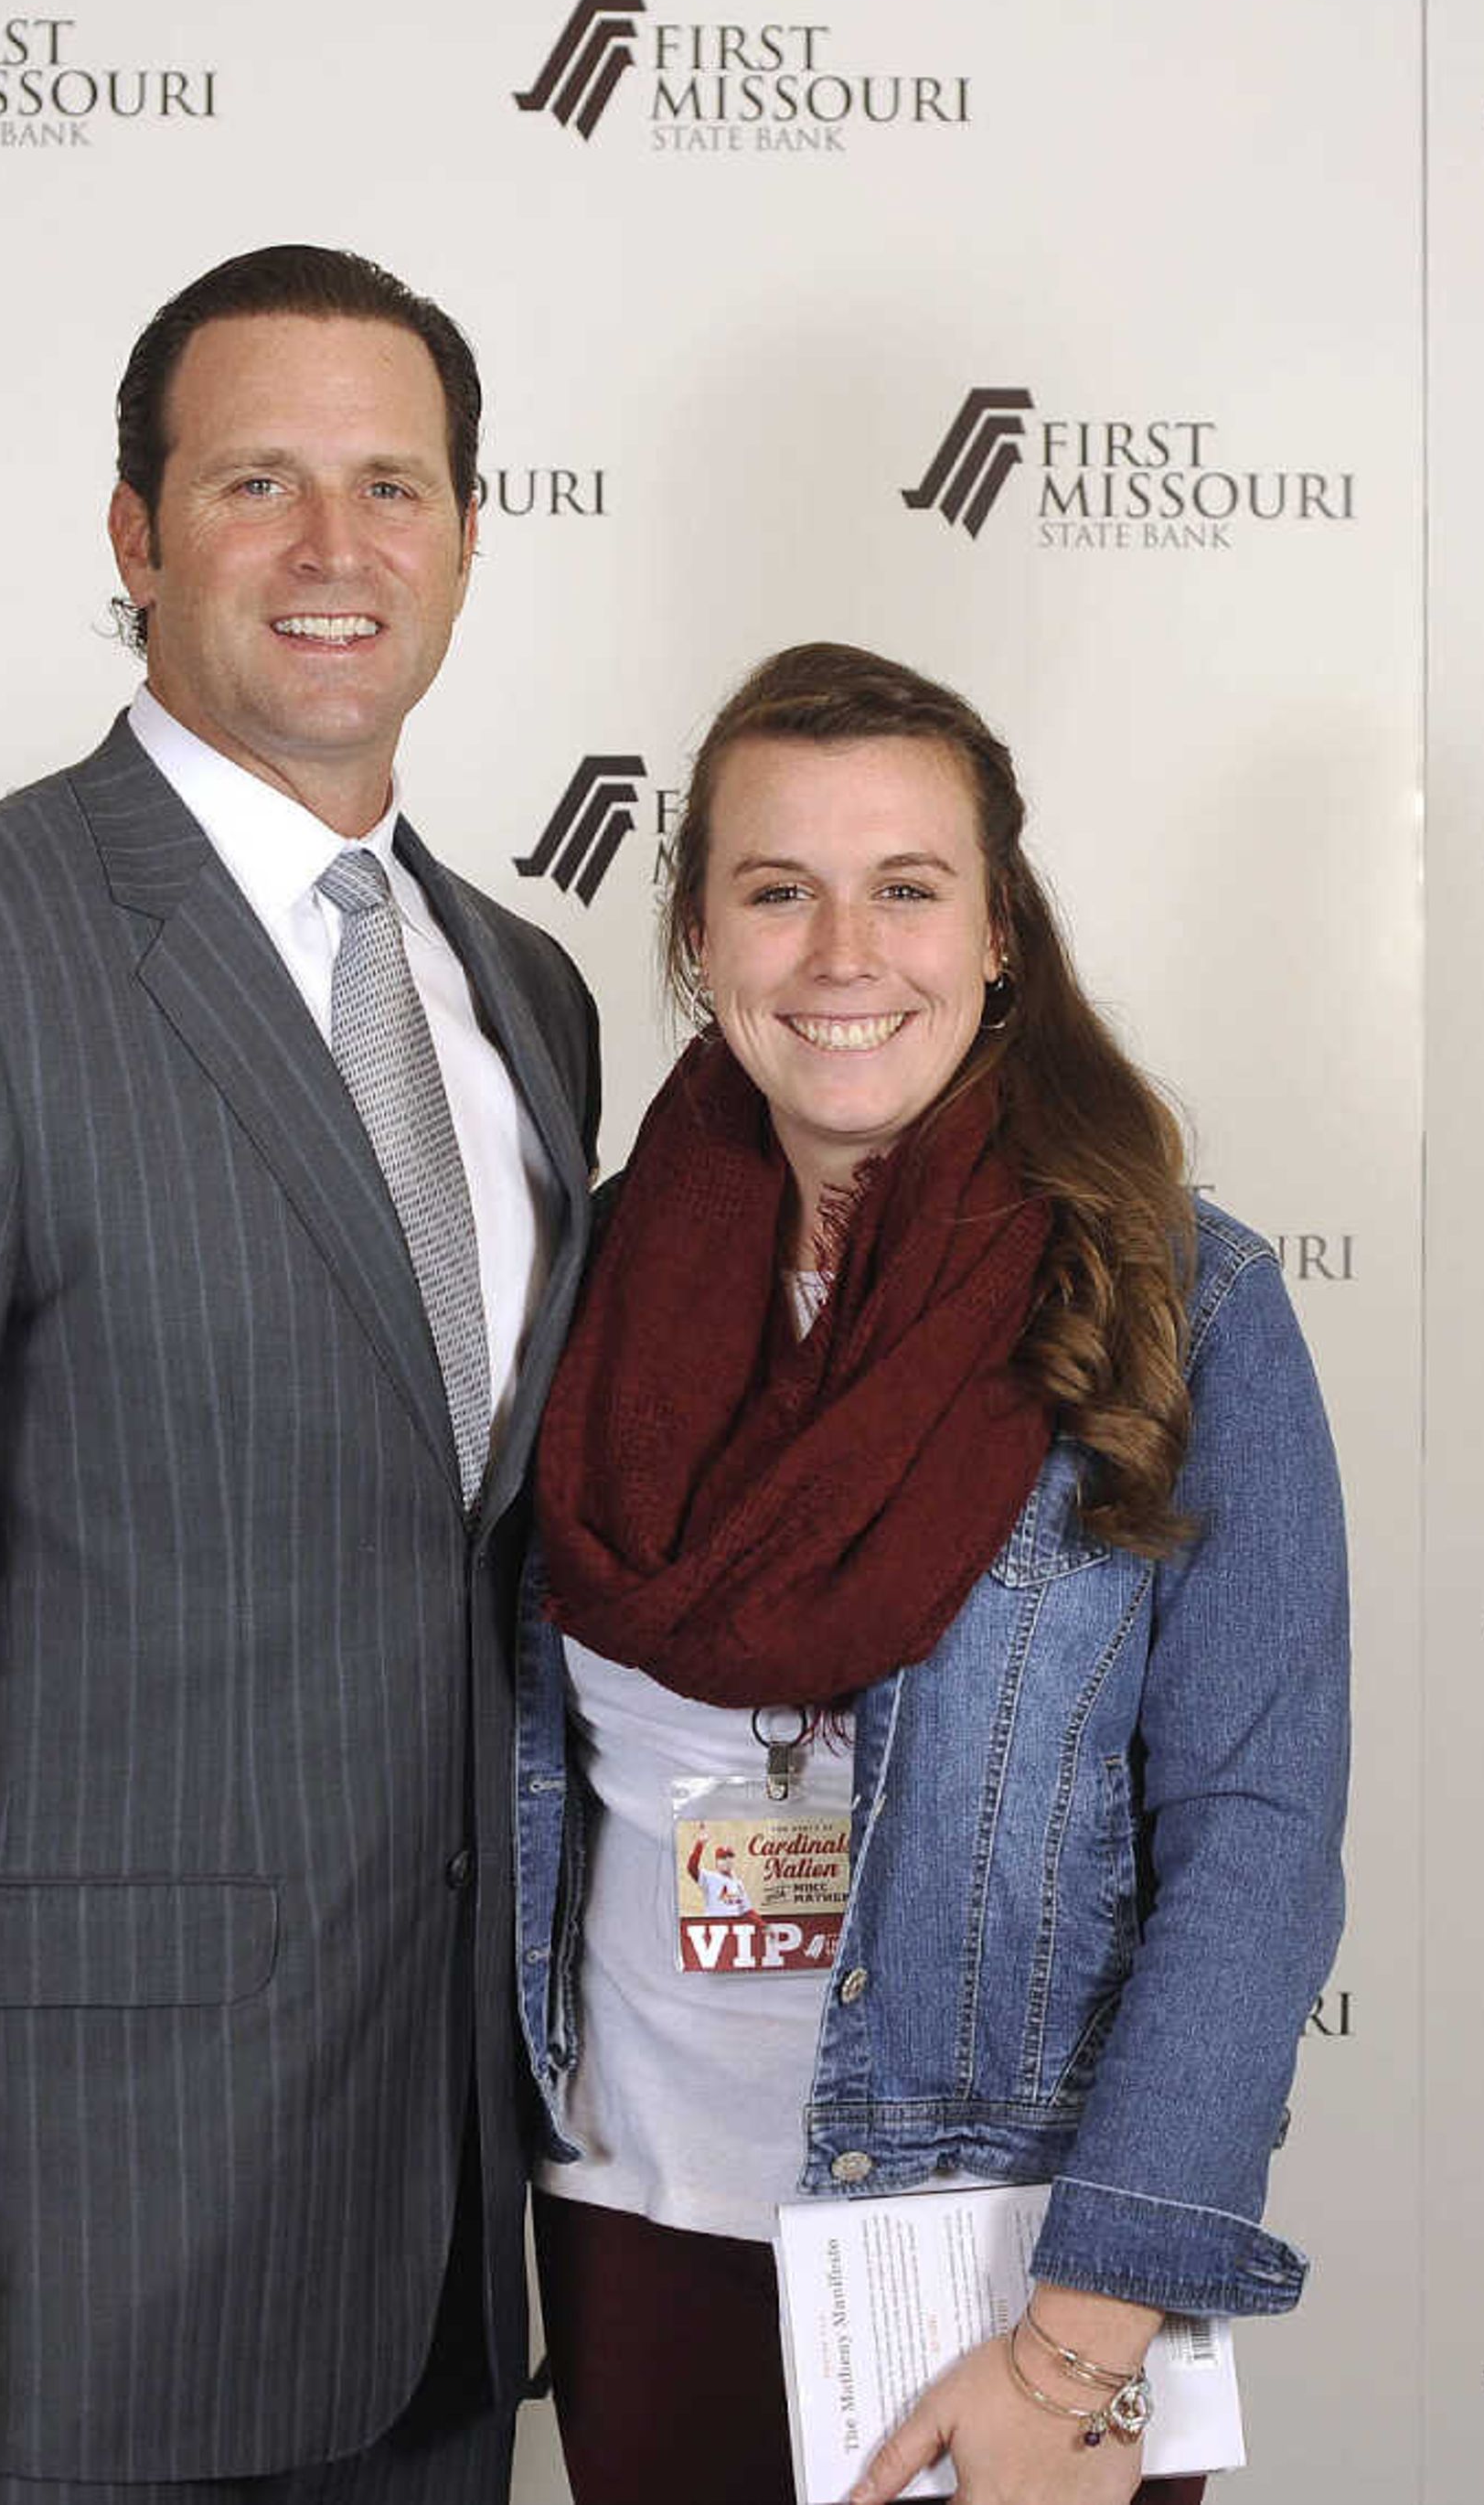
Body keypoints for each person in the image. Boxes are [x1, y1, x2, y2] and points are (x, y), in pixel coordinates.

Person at [0, 245, 599, 2505]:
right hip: (57, 2274)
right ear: (138, 536)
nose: (334, 549)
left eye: (394, 485)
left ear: (465, 536)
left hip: (442, 2263)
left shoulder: (526, 994)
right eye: (257, 481)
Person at [513, 642, 1346, 2505]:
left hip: (1003, 2274)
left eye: (907, 886)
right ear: (697, 940)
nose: (840, 952)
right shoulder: (568, 1287)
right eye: (776, 888)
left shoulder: (1183, 1303)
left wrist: (1085, 2338)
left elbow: (1259, 1838)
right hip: (639, 2228)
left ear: (997, 939)